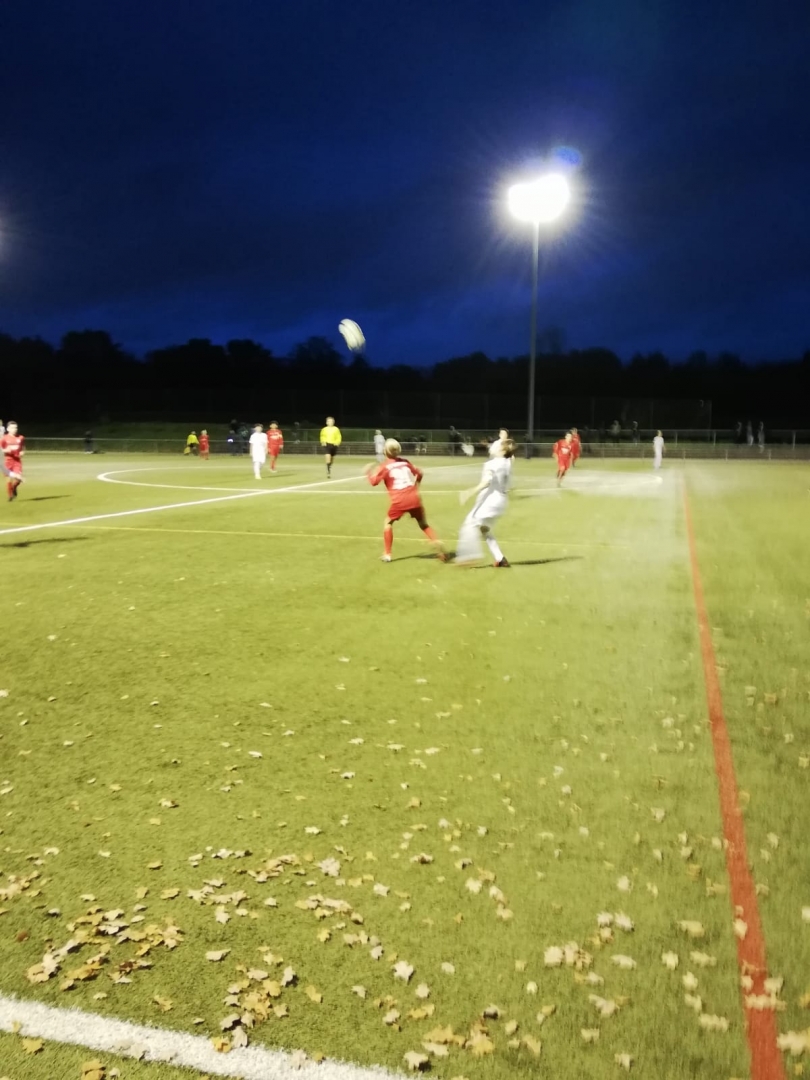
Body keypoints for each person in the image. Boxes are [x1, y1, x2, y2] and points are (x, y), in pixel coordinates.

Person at [364, 438, 444, 563]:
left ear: (385, 451)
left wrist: (368, 472)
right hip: (414, 497)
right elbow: (420, 473)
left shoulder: (384, 466)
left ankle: (387, 554)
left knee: (388, 523)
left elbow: (374, 482)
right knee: (423, 524)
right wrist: (416, 486)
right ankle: (437, 546)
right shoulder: (405, 462)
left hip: (399, 500)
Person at [456, 438, 515, 567]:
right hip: (502, 502)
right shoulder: (508, 463)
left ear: (502, 450)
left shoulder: (492, 464)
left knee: (469, 523)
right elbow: (510, 486)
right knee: (484, 530)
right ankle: (500, 559)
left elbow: (486, 482)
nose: (493, 447)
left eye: (497, 445)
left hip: (491, 501)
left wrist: (469, 492)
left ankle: (469, 556)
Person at [1, 421, 25, 500]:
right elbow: (1, 449)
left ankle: (14, 487)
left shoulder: (21, 437)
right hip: (8, 461)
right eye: (12, 428)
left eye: (15, 427)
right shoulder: (4, 438)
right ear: (8, 429)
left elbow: (22, 448)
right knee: (9, 479)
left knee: (19, 479)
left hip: (17, 461)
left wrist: (22, 452)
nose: (14, 429)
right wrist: (5, 450)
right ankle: (10, 496)